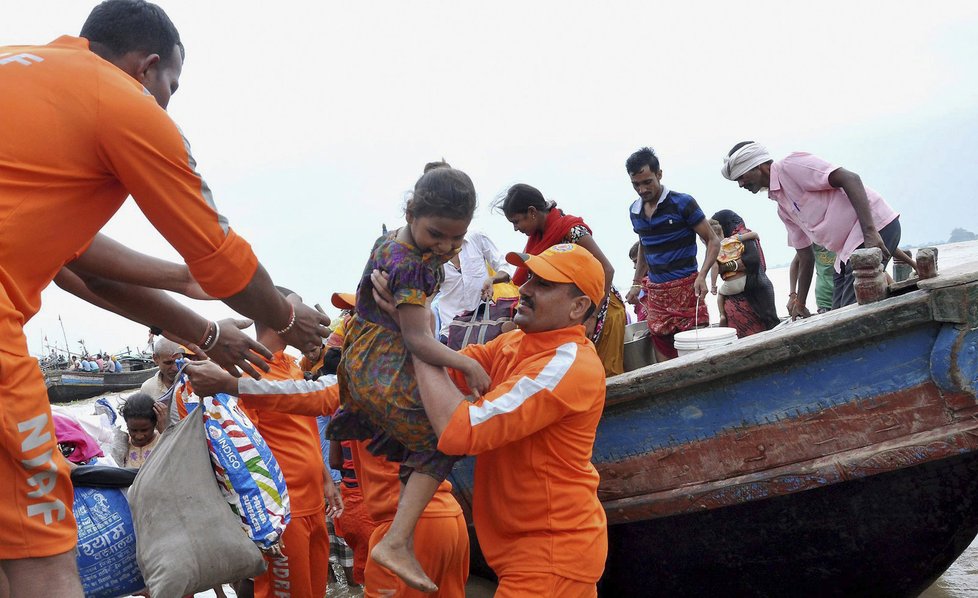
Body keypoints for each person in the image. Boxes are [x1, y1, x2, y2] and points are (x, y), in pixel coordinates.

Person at [0, 2, 333, 592]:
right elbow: (225, 258)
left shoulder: (23, 71)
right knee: (41, 554)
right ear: (149, 66)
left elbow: (77, 266)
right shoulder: (123, 101)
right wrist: (284, 314)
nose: (169, 100)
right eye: (172, 86)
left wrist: (193, 304)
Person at [381, 243, 609, 597]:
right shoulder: (516, 343)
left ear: (578, 307)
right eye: (529, 276)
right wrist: (412, 318)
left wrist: (417, 337)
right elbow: (441, 373)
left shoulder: (568, 366)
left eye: (544, 284)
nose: (525, 288)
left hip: (550, 557)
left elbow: (460, 430)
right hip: (530, 555)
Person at [326, 166, 489, 593]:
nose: (445, 247)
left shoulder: (388, 242)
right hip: (386, 366)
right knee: (447, 439)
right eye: (437, 234)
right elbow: (418, 339)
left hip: (361, 363)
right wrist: (467, 364)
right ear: (411, 211)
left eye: (456, 239)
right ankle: (397, 541)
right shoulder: (413, 267)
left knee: (412, 444)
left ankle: (402, 533)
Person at [181, 366, 471, 598]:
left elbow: (308, 397)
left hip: (406, 529)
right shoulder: (432, 371)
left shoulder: (366, 376)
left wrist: (231, 384)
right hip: (448, 517)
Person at [232, 287, 342, 598]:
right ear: (281, 318)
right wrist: (262, 521)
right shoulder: (247, 372)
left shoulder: (293, 365)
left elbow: (306, 429)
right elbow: (243, 455)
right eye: (301, 312)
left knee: (314, 590)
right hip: (283, 513)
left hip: (314, 504)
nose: (311, 321)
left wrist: (325, 480)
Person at [721, 141, 903, 316]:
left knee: (852, 313)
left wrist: (870, 231)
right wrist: (799, 302)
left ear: (758, 166)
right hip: (844, 252)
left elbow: (850, 178)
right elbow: (805, 257)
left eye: (742, 177)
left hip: (873, 227)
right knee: (838, 313)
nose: (741, 184)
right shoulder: (782, 206)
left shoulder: (791, 166)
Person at [495, 183, 626, 376]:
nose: (516, 229)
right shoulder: (538, 241)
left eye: (516, 221)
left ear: (532, 212)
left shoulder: (572, 231)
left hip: (601, 310)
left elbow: (607, 269)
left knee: (606, 376)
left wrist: (591, 317)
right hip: (575, 314)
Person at [624, 147, 720, 361]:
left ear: (659, 174)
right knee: (663, 349)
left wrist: (703, 275)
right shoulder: (634, 211)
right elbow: (644, 244)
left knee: (697, 350)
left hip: (687, 287)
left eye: (647, 182)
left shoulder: (682, 203)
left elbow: (713, 241)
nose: (642, 189)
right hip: (656, 293)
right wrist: (637, 283)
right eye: (636, 184)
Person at [710, 210, 781, 337]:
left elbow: (752, 262)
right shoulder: (735, 239)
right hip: (753, 293)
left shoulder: (736, 238)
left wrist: (725, 267)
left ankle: (722, 315)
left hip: (752, 295)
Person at [119, 393, 166, 468]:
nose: (139, 436)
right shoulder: (123, 445)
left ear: (154, 424)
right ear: (127, 425)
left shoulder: (163, 440)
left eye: (144, 430)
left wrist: (165, 432)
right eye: (133, 430)